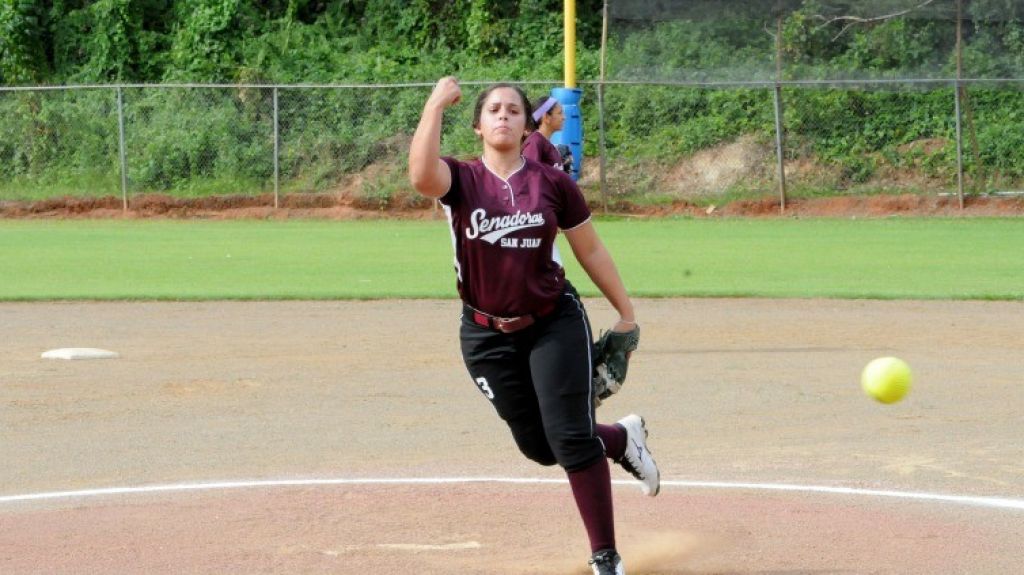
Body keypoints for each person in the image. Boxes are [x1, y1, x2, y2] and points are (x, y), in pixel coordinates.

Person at [408, 76, 660, 575]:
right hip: (484, 335)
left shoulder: (552, 183)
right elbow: (420, 175)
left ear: (527, 126)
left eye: (514, 110)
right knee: (540, 448)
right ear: (479, 126)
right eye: (494, 110)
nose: (503, 115)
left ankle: (605, 557)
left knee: (567, 438)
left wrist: (626, 313)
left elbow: (590, 249)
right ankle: (620, 439)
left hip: (553, 321)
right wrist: (435, 103)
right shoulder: (461, 180)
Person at [522, 95, 567, 171]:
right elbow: (529, 177)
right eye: (560, 113)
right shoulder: (535, 143)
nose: (564, 117)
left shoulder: (545, 142)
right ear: (546, 117)